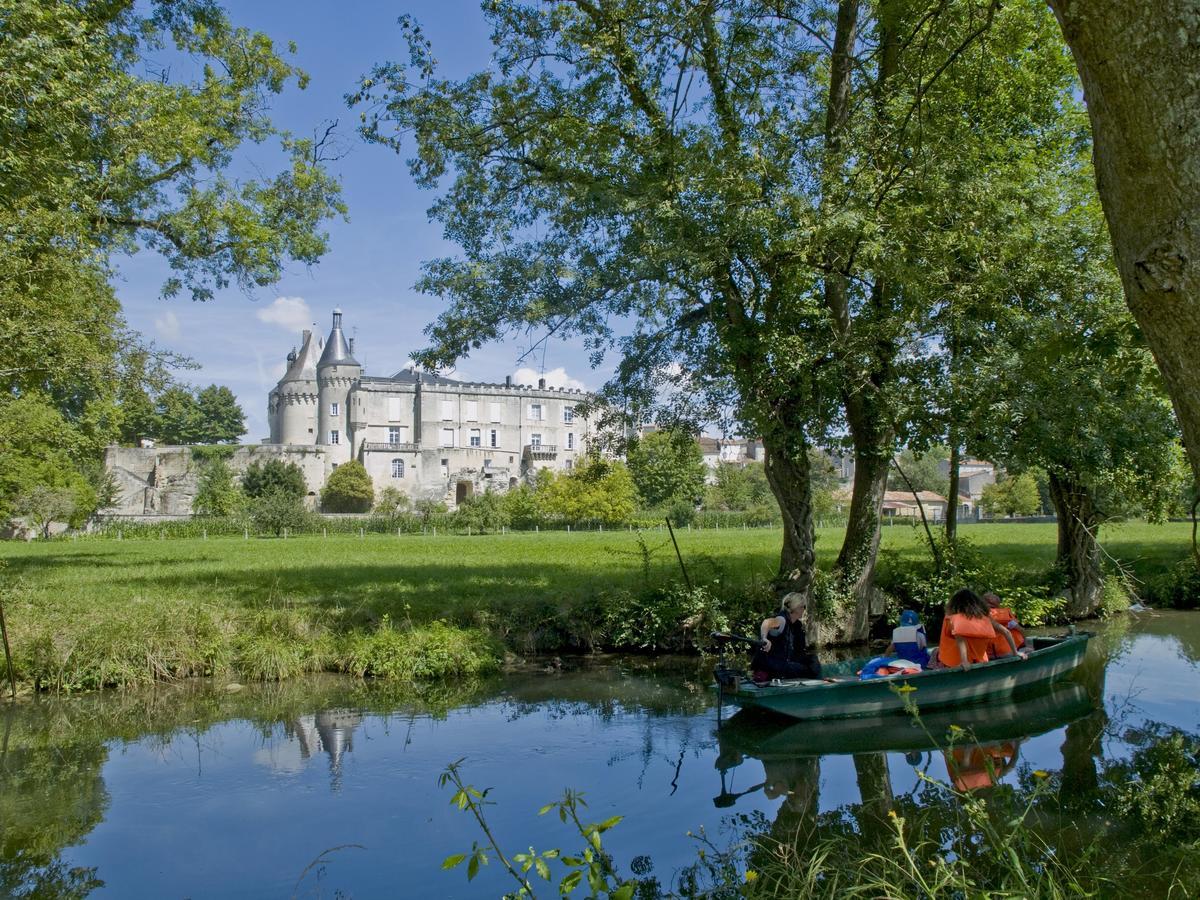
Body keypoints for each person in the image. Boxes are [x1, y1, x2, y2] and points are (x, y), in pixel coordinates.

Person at [934, 588, 1019, 670]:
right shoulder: (984, 617)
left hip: (959, 664)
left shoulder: (951, 619)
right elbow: (1006, 632)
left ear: (954, 604)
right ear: (977, 603)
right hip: (980, 662)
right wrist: (1015, 653)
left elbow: (960, 638)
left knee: (936, 652)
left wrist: (964, 661)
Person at [751, 593, 822, 680]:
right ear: (797, 607)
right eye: (804, 606)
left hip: (783, 663)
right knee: (806, 670)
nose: (804, 609)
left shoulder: (796, 625)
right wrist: (764, 638)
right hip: (772, 667)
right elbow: (767, 622)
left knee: (812, 660)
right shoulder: (782, 620)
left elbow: (797, 652)